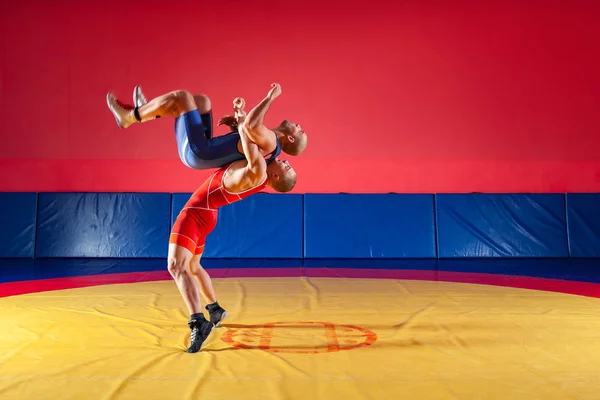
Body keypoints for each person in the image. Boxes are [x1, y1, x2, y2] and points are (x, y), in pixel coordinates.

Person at [160, 90, 297, 352]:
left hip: (196, 212)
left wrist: (250, 113)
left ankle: (197, 322)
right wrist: (238, 119)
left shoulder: (258, 171)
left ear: (277, 179)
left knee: (176, 266)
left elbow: (249, 137)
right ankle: (215, 308)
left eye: (287, 166)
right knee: (194, 267)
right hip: (208, 215)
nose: (284, 161)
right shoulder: (257, 168)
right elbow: (246, 139)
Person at [106, 83, 307, 170]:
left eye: (300, 131)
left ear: (290, 139)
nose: (299, 125)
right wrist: (238, 119)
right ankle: (145, 110)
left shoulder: (272, 143)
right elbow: (246, 134)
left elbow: (253, 126)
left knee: (182, 97)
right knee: (202, 102)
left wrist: (270, 97)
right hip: (204, 147)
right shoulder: (268, 141)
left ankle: (130, 117)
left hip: (198, 153)